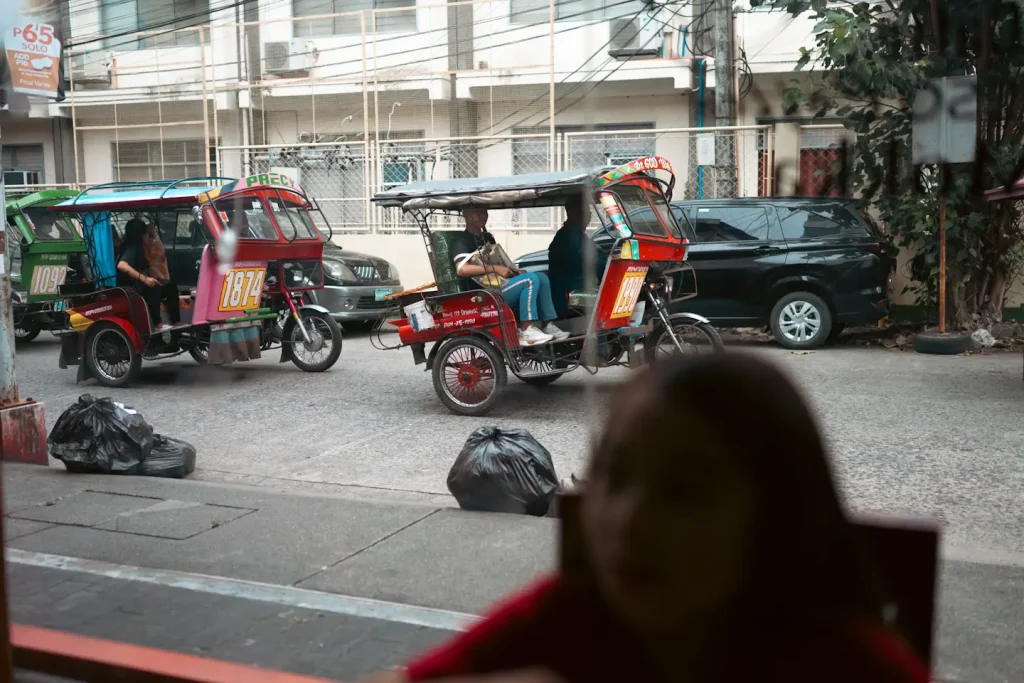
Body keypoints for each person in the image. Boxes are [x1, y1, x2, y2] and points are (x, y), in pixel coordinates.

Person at [370, 353, 930, 683]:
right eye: (614, 473)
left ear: (776, 517)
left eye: (685, 490)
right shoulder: (570, 617)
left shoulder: (846, 665)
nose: (630, 521)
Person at [452, 207, 569, 346]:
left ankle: (548, 325)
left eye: (484, 212)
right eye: (477, 212)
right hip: (485, 293)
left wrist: (513, 271)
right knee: (530, 280)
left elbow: (499, 260)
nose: (483, 215)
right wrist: (495, 268)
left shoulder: (487, 237)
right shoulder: (461, 240)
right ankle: (526, 330)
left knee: (541, 277)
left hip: (500, 283)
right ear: (466, 215)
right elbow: (462, 269)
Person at [547, 196, 597, 318]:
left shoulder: (579, 235)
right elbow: (585, 262)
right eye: (586, 210)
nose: (590, 215)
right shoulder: (569, 236)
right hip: (570, 294)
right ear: (575, 213)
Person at [116, 217, 170, 330]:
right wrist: (145, 279)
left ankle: (175, 323)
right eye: (147, 234)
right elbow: (122, 265)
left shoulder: (140, 248)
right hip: (128, 288)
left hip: (135, 285)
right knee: (153, 287)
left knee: (170, 287)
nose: (150, 237)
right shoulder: (132, 248)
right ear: (141, 235)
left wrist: (155, 275)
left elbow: (146, 267)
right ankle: (157, 323)